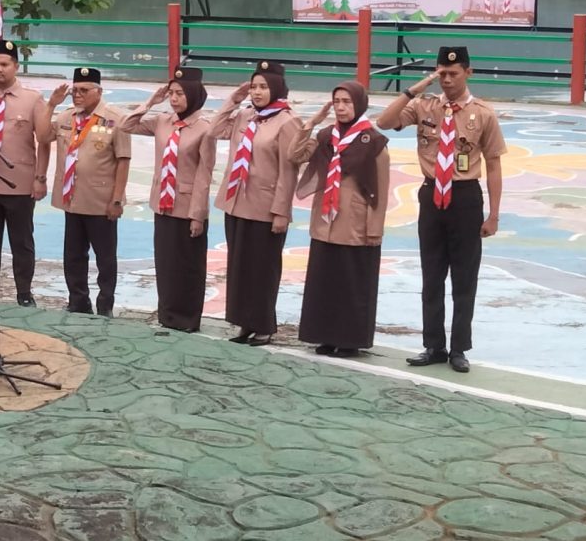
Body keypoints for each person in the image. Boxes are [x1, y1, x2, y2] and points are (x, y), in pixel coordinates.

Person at [377, 46, 506, 373]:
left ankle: (459, 348)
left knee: (465, 278)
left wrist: (493, 214)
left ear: (468, 73)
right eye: (442, 74)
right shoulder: (424, 106)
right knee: (431, 275)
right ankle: (433, 345)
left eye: (453, 74)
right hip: (431, 196)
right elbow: (384, 121)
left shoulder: (483, 113)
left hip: (465, 198)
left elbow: (493, 165)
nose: (447, 80)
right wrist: (414, 89)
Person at [290, 81, 390, 356]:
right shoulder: (325, 136)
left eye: (347, 102)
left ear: (359, 104)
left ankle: (349, 340)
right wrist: (311, 122)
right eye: (337, 102)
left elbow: (380, 189)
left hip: (356, 223)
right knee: (325, 281)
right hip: (325, 222)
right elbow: (295, 155)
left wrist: (374, 229)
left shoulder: (374, 141)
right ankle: (325, 335)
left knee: (352, 283)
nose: (342, 107)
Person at [210, 60, 301, 346]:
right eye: (254, 86)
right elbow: (214, 130)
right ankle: (244, 322)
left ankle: (264, 324)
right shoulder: (245, 116)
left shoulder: (288, 121)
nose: (257, 92)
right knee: (239, 267)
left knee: (263, 268)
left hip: (265, 207)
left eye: (263, 87)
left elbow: (289, 169)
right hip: (236, 202)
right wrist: (234, 99)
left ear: (277, 89)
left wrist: (281, 211)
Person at [120, 67, 216, 332]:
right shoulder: (163, 121)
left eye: (180, 93)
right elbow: (125, 124)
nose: (174, 99)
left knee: (188, 265)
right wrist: (152, 101)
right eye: (171, 93)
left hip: (186, 206)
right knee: (166, 263)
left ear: (195, 95)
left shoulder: (204, 129)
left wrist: (198, 214)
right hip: (162, 203)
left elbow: (204, 174)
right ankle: (168, 315)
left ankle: (187, 318)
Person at [38, 67, 131, 316]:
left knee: (105, 258)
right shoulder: (67, 117)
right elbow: (44, 136)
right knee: (73, 255)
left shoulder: (115, 119)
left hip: (101, 200)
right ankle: (78, 301)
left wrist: (117, 199)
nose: (77, 95)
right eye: (74, 90)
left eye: (83, 90)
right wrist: (50, 106)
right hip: (72, 198)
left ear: (98, 92)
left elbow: (123, 160)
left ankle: (105, 304)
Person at [0, 39, 52, 306]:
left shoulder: (32, 99)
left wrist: (40, 178)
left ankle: (24, 292)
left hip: (19, 184)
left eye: (4, 64)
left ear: (16, 66)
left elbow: (44, 141)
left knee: (22, 242)